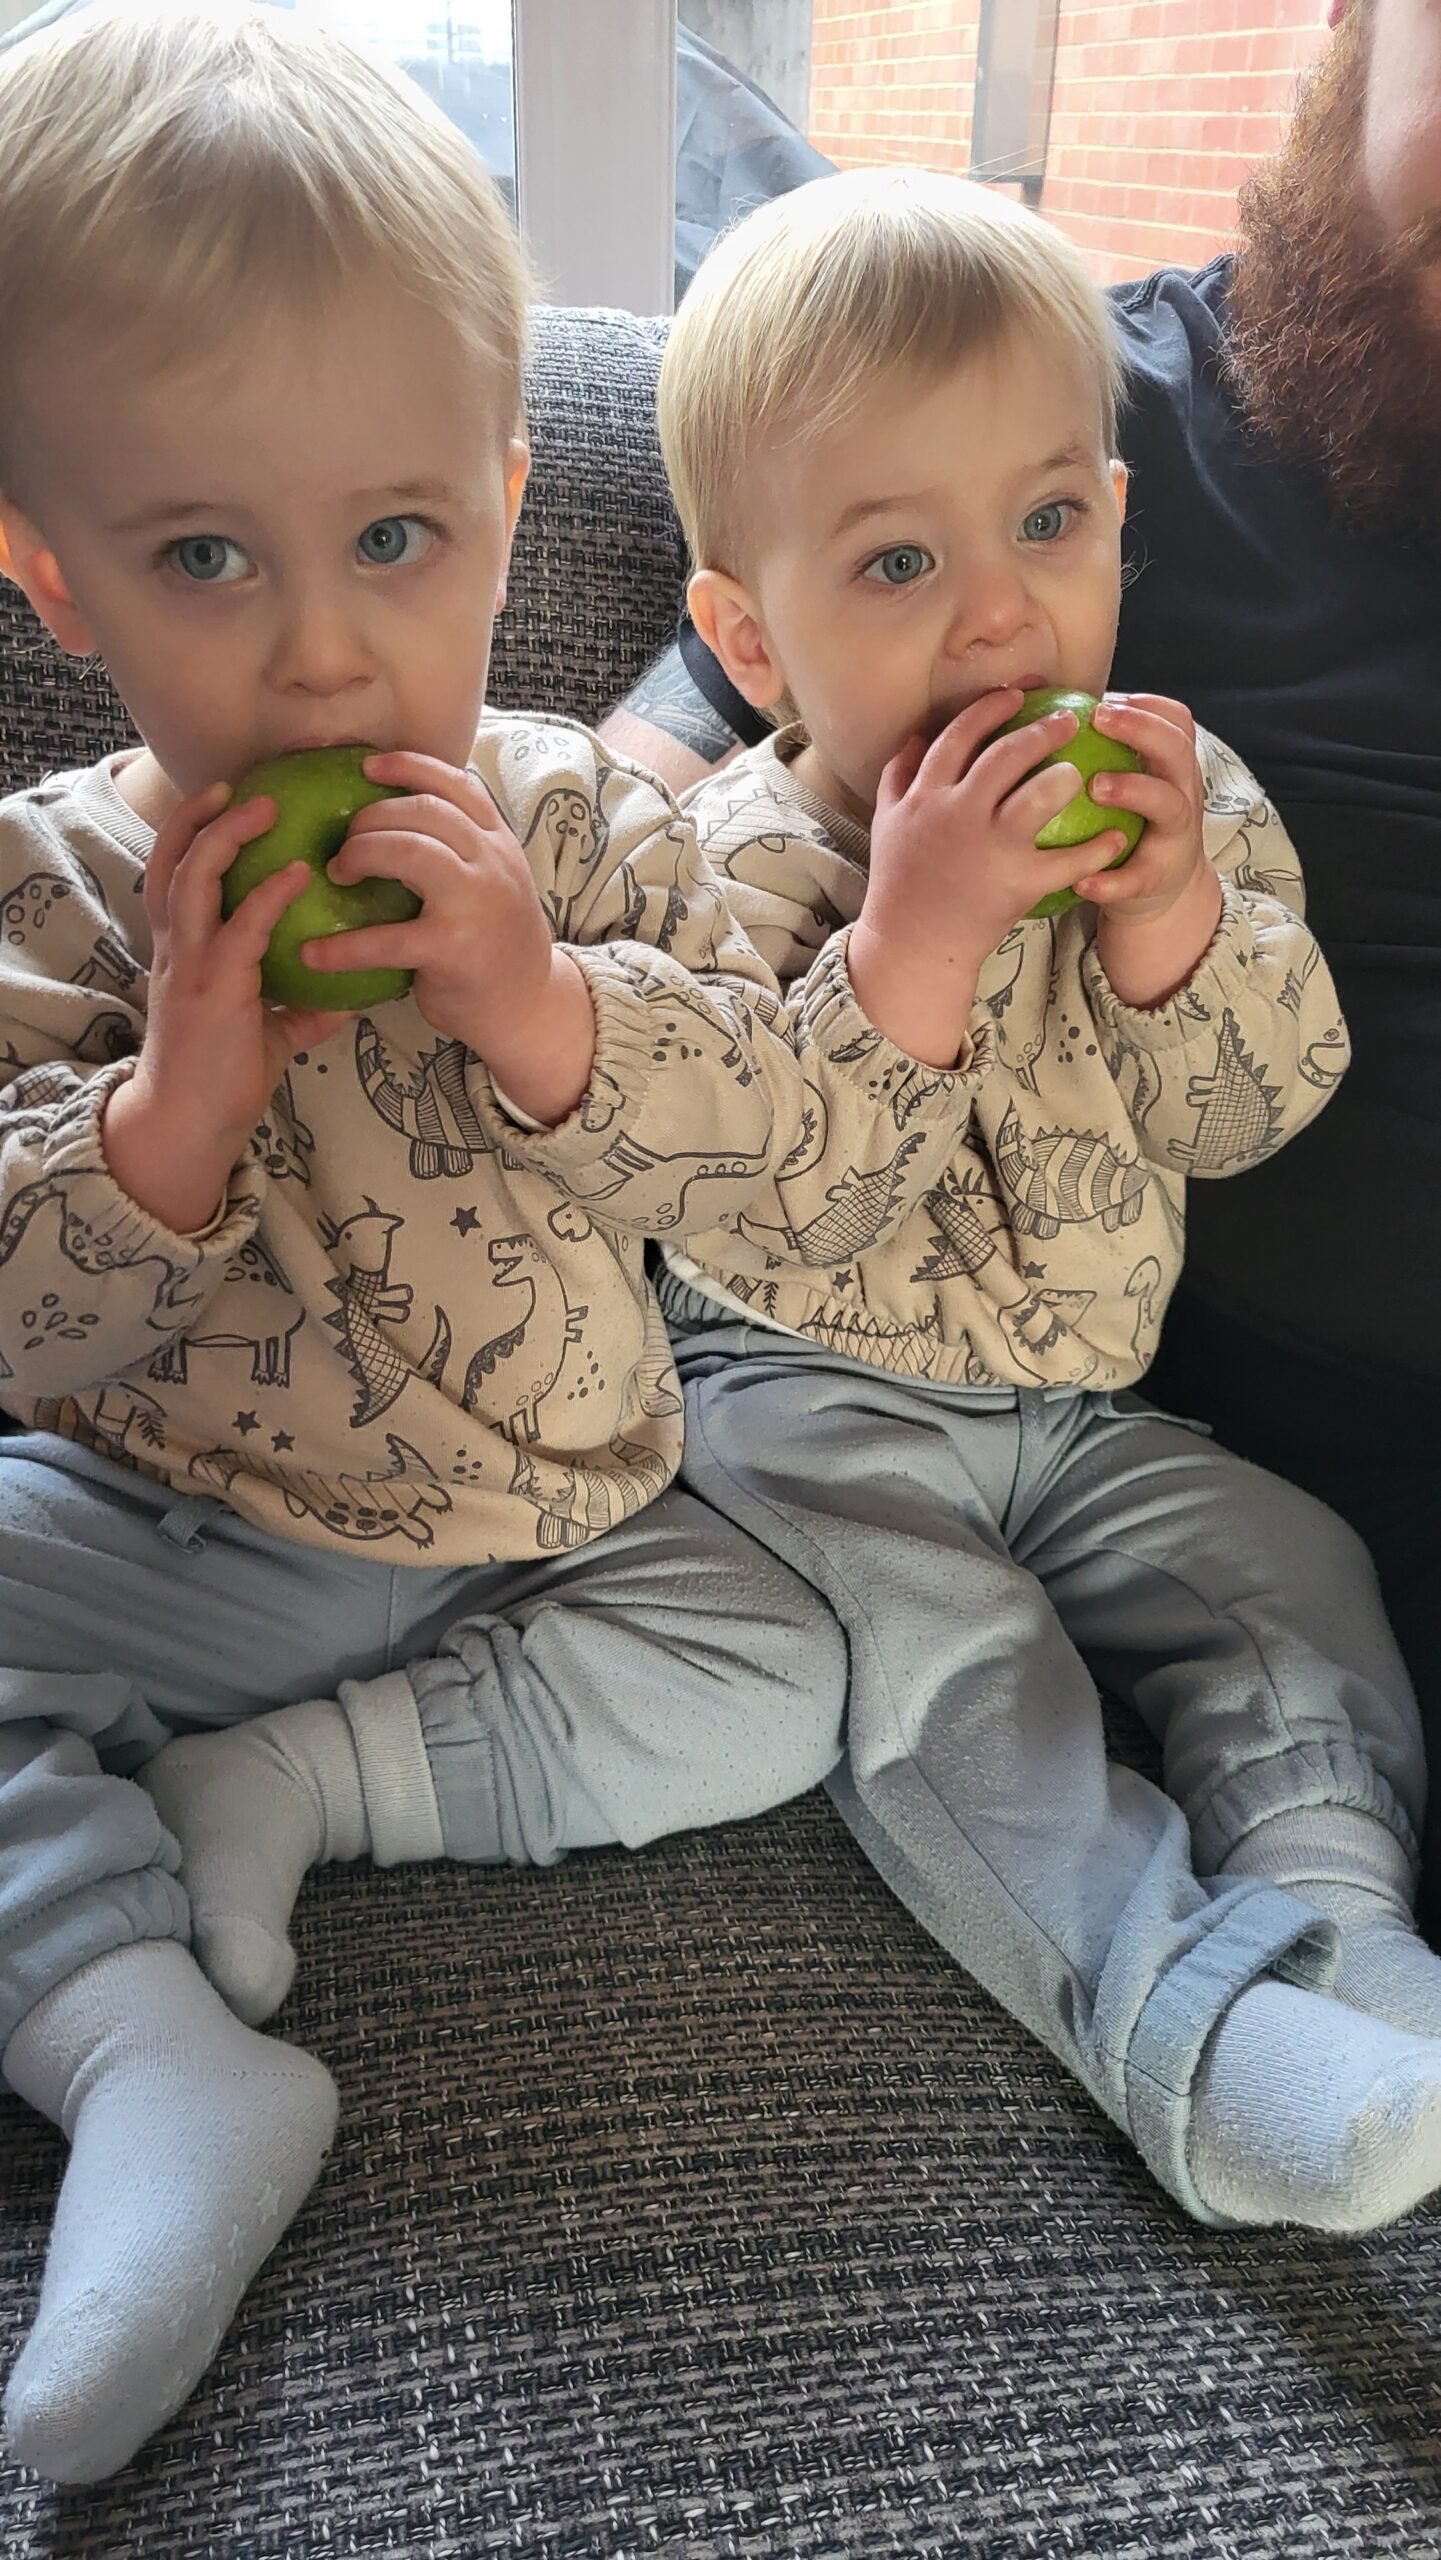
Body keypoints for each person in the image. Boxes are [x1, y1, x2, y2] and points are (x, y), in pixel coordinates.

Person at [0, 6, 996, 2484]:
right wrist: (165, 1113)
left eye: (396, 540)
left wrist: (553, 1013)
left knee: (793, 1667)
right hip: (165, 1528)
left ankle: (299, 1787)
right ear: (45, 570)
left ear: (507, 507)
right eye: (204, 556)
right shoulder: (56, 887)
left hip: (559, 1532)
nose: (322, 651)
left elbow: (807, 1155)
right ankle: (141, 2041)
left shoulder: (594, 828)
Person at [640, 162, 1441, 2243]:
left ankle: (1345, 1935)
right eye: (899, 561)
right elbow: (754, 1201)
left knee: (1295, 1573)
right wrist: (910, 939)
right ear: (749, 637)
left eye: (1050, 525)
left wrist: (1170, 922)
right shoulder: (724, 868)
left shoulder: (1185, 801)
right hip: (799, 1400)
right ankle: (1187, 2034)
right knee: (943, 1665)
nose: (1000, 616)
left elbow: (1249, 1112)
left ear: (1116, 518)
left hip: (1082, 1402)